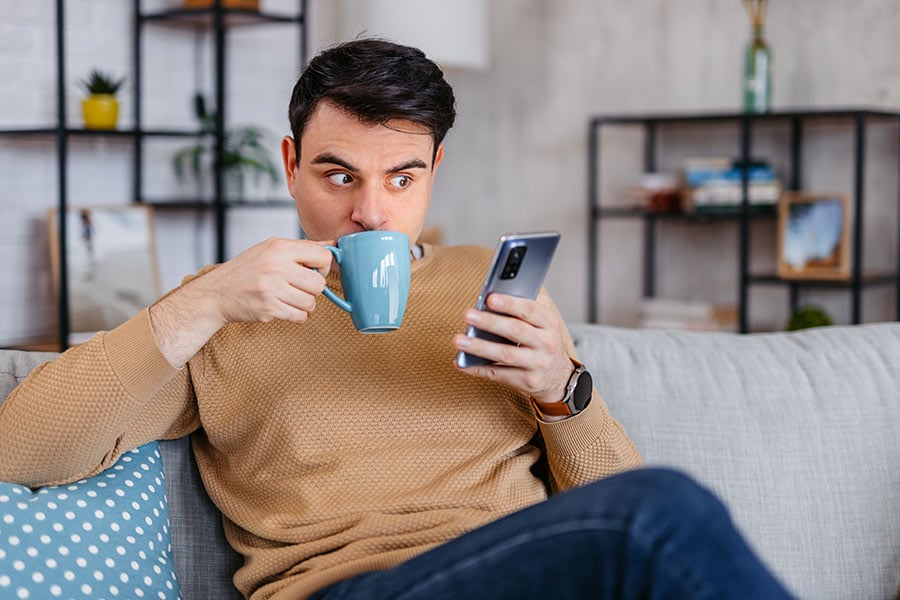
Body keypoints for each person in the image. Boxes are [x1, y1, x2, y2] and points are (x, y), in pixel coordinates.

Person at [0, 39, 793, 599]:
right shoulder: (228, 308)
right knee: (667, 508)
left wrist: (563, 389)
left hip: (522, 570)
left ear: (435, 172)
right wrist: (201, 303)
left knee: (654, 514)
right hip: (353, 589)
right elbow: (21, 450)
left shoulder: (495, 286)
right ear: (289, 165)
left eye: (402, 178)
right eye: (337, 174)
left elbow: (616, 508)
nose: (370, 212)